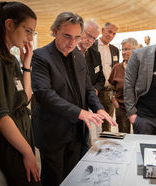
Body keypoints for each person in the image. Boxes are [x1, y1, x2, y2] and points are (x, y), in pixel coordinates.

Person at [31, 12, 117, 186]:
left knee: (74, 177)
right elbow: (45, 94)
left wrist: (99, 108)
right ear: (55, 31)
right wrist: (80, 112)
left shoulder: (79, 57)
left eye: (77, 37)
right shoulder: (40, 56)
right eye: (67, 36)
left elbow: (88, 89)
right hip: (53, 131)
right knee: (54, 178)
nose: (72, 42)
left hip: (77, 132)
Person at [0, 2, 41, 186]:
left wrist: (26, 66)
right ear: (9, 24)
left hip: (22, 134)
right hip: (9, 141)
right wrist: (27, 152)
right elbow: (0, 116)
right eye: (28, 30)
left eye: (33, 32)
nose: (30, 38)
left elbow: (26, 98)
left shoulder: (12, 60)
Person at [92, 22, 119, 132]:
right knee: (94, 122)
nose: (111, 35)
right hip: (94, 91)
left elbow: (115, 69)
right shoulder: (92, 46)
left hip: (109, 91)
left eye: (114, 33)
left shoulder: (115, 50)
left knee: (107, 122)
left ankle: (105, 145)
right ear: (103, 30)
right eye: (109, 32)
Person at [109, 38, 138, 133]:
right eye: (123, 49)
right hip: (121, 108)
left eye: (127, 49)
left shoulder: (140, 68)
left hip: (138, 109)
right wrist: (114, 102)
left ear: (135, 50)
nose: (124, 52)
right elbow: (110, 88)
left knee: (139, 134)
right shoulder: (117, 68)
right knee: (123, 135)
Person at [77, 20, 105, 96]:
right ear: (80, 31)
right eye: (89, 35)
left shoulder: (96, 54)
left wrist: (95, 89)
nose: (90, 40)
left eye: (94, 38)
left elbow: (101, 78)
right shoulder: (68, 52)